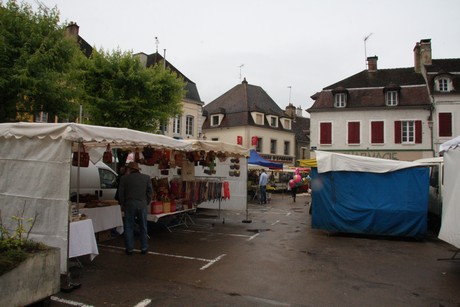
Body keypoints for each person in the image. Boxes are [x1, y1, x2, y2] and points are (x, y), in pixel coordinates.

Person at [118, 162, 153, 255]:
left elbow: (120, 194)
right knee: (143, 226)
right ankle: (144, 248)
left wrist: (123, 204)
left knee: (129, 226)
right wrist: (146, 202)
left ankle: (129, 249)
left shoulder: (124, 179)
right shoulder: (146, 178)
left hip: (129, 204)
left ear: (129, 169)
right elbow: (150, 192)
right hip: (142, 204)